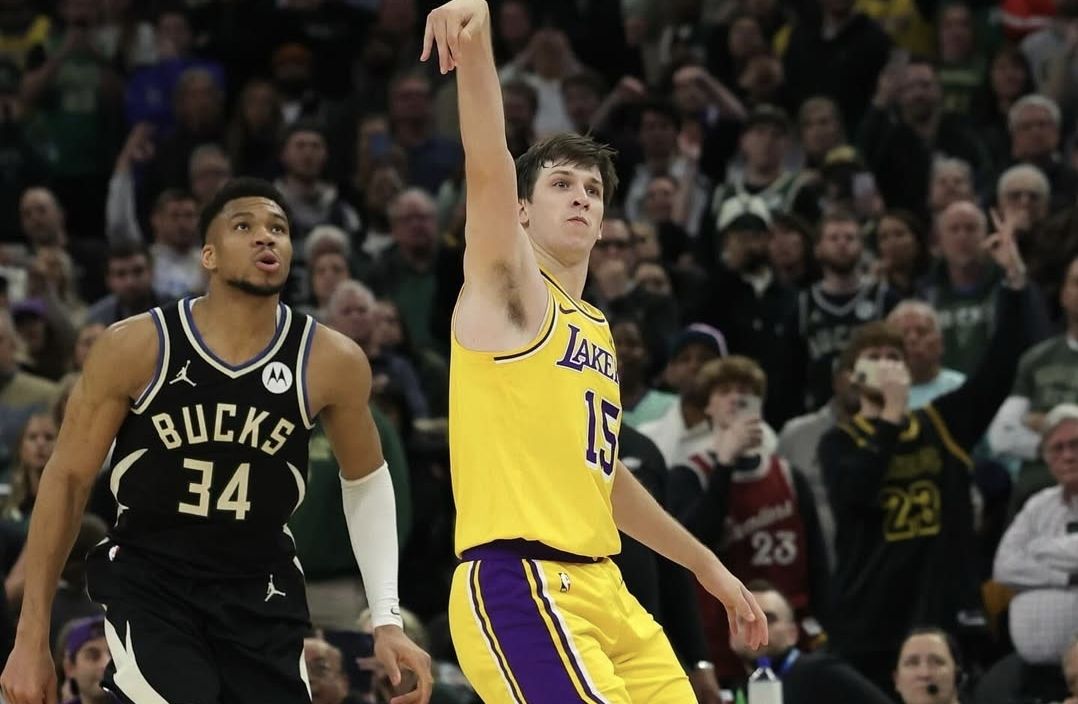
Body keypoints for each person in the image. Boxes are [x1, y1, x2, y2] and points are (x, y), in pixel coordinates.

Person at [421, 2, 768, 702]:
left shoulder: (595, 327)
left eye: (592, 190)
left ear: (606, 221)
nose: (580, 197)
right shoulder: (509, 291)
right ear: (522, 211)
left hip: (607, 588)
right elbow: (488, 165)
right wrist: (478, 43)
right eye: (560, 184)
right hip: (521, 581)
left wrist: (705, 565)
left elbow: (602, 479)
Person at [0, 178, 432, 704]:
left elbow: (366, 481)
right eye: (244, 226)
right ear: (208, 255)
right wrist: (30, 638)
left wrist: (387, 618)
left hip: (261, 587)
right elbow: (67, 480)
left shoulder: (329, 360)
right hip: (152, 580)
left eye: (278, 228)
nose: (265, 237)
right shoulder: (137, 346)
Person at [818, 210, 1034, 693]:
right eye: (875, 358)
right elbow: (856, 494)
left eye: (894, 357)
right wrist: (890, 420)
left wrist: (1014, 283)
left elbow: (1001, 365)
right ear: (851, 377)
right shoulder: (838, 441)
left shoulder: (942, 422)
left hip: (943, 609)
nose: (887, 365)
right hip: (870, 619)